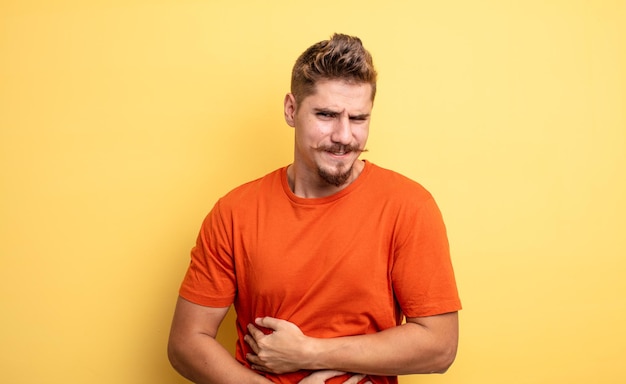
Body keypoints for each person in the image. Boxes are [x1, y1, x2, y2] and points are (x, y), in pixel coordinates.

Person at [168, 33, 461, 384]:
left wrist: (309, 351)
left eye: (358, 119)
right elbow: (186, 342)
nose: (344, 136)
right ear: (292, 110)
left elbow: (440, 346)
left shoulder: (409, 206)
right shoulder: (234, 212)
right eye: (326, 115)